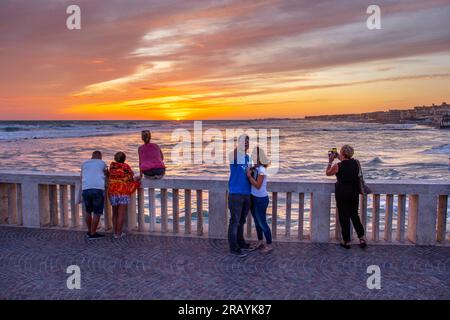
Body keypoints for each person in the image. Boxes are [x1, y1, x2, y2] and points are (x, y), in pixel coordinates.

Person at [326, 145, 367, 249]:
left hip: (342, 193)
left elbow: (328, 173)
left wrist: (330, 161)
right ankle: (362, 238)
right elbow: (347, 161)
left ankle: (346, 242)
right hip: (354, 192)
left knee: (344, 217)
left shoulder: (338, 166)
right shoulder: (356, 163)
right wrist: (339, 156)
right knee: (354, 215)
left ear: (343, 153)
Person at [227, 134, 253, 257]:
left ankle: (241, 243)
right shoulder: (234, 156)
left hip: (246, 193)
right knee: (235, 221)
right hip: (236, 194)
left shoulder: (247, 158)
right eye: (244, 142)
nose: (246, 144)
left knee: (241, 221)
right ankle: (234, 248)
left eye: (248, 142)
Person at [108, 152, 140, 239]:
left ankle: (115, 232)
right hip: (122, 192)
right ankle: (118, 234)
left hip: (112, 192)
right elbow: (130, 179)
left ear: (115, 158)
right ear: (124, 159)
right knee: (121, 214)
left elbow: (109, 176)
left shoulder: (112, 166)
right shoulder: (126, 167)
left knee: (114, 213)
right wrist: (137, 180)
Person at [247, 147, 273, 253]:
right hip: (253, 198)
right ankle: (260, 241)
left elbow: (258, 185)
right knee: (257, 222)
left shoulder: (262, 170)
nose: (252, 156)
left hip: (261, 199)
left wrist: (249, 176)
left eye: (254, 154)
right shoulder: (256, 168)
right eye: (252, 154)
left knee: (262, 223)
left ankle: (269, 244)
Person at [81, 150, 108, 240]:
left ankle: (90, 231)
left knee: (88, 211)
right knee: (97, 212)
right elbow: (107, 174)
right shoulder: (102, 163)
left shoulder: (84, 164)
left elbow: (82, 176)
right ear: (100, 157)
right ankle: (93, 233)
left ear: (92, 157)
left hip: (86, 188)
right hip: (98, 189)